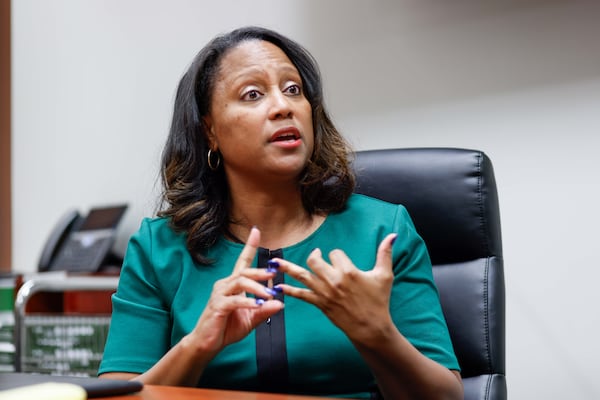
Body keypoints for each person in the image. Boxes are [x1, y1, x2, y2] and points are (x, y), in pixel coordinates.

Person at [98, 26, 463, 399]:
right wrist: (198, 344)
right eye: (253, 94)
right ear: (209, 131)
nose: (284, 106)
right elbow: (117, 396)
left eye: (293, 89)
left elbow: (448, 397)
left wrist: (377, 334)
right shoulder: (158, 247)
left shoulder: (382, 231)